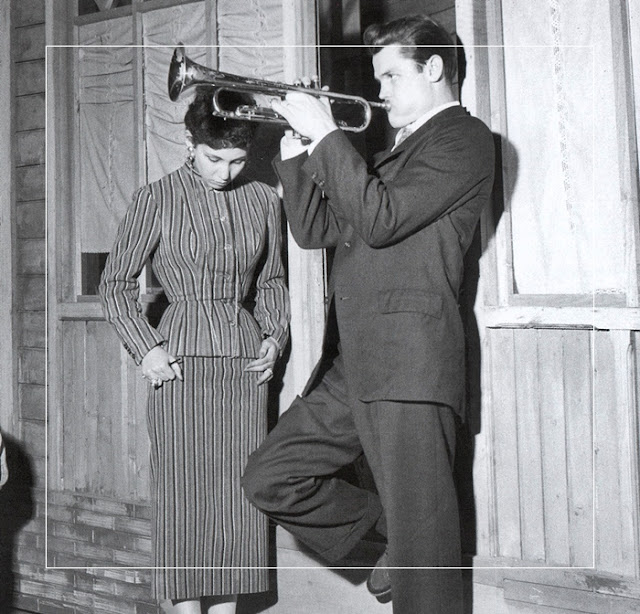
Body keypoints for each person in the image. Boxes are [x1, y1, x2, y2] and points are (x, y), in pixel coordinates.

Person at [241, 14, 495, 614]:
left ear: (434, 69)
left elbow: (380, 221)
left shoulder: (464, 140)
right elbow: (315, 230)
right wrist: (297, 151)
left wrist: (328, 134)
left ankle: (418, 543)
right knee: (270, 476)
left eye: (390, 76)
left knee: (426, 580)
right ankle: (405, 540)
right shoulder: (389, 155)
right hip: (355, 362)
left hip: (410, 365)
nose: (379, 93)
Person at [99, 89, 290, 614]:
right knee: (184, 498)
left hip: (244, 367)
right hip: (179, 366)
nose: (226, 172)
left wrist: (274, 337)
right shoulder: (155, 198)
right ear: (189, 142)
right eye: (213, 158)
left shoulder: (263, 200)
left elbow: (272, 281)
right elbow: (114, 285)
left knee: (238, 501)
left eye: (237, 160)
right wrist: (146, 349)